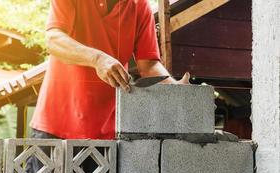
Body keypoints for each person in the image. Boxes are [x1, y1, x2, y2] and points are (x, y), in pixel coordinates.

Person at [30, 0, 190, 141]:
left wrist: (176, 90)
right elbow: (53, 40)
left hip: (107, 133)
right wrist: (97, 59)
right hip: (54, 125)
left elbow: (149, 66)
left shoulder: (140, 5)